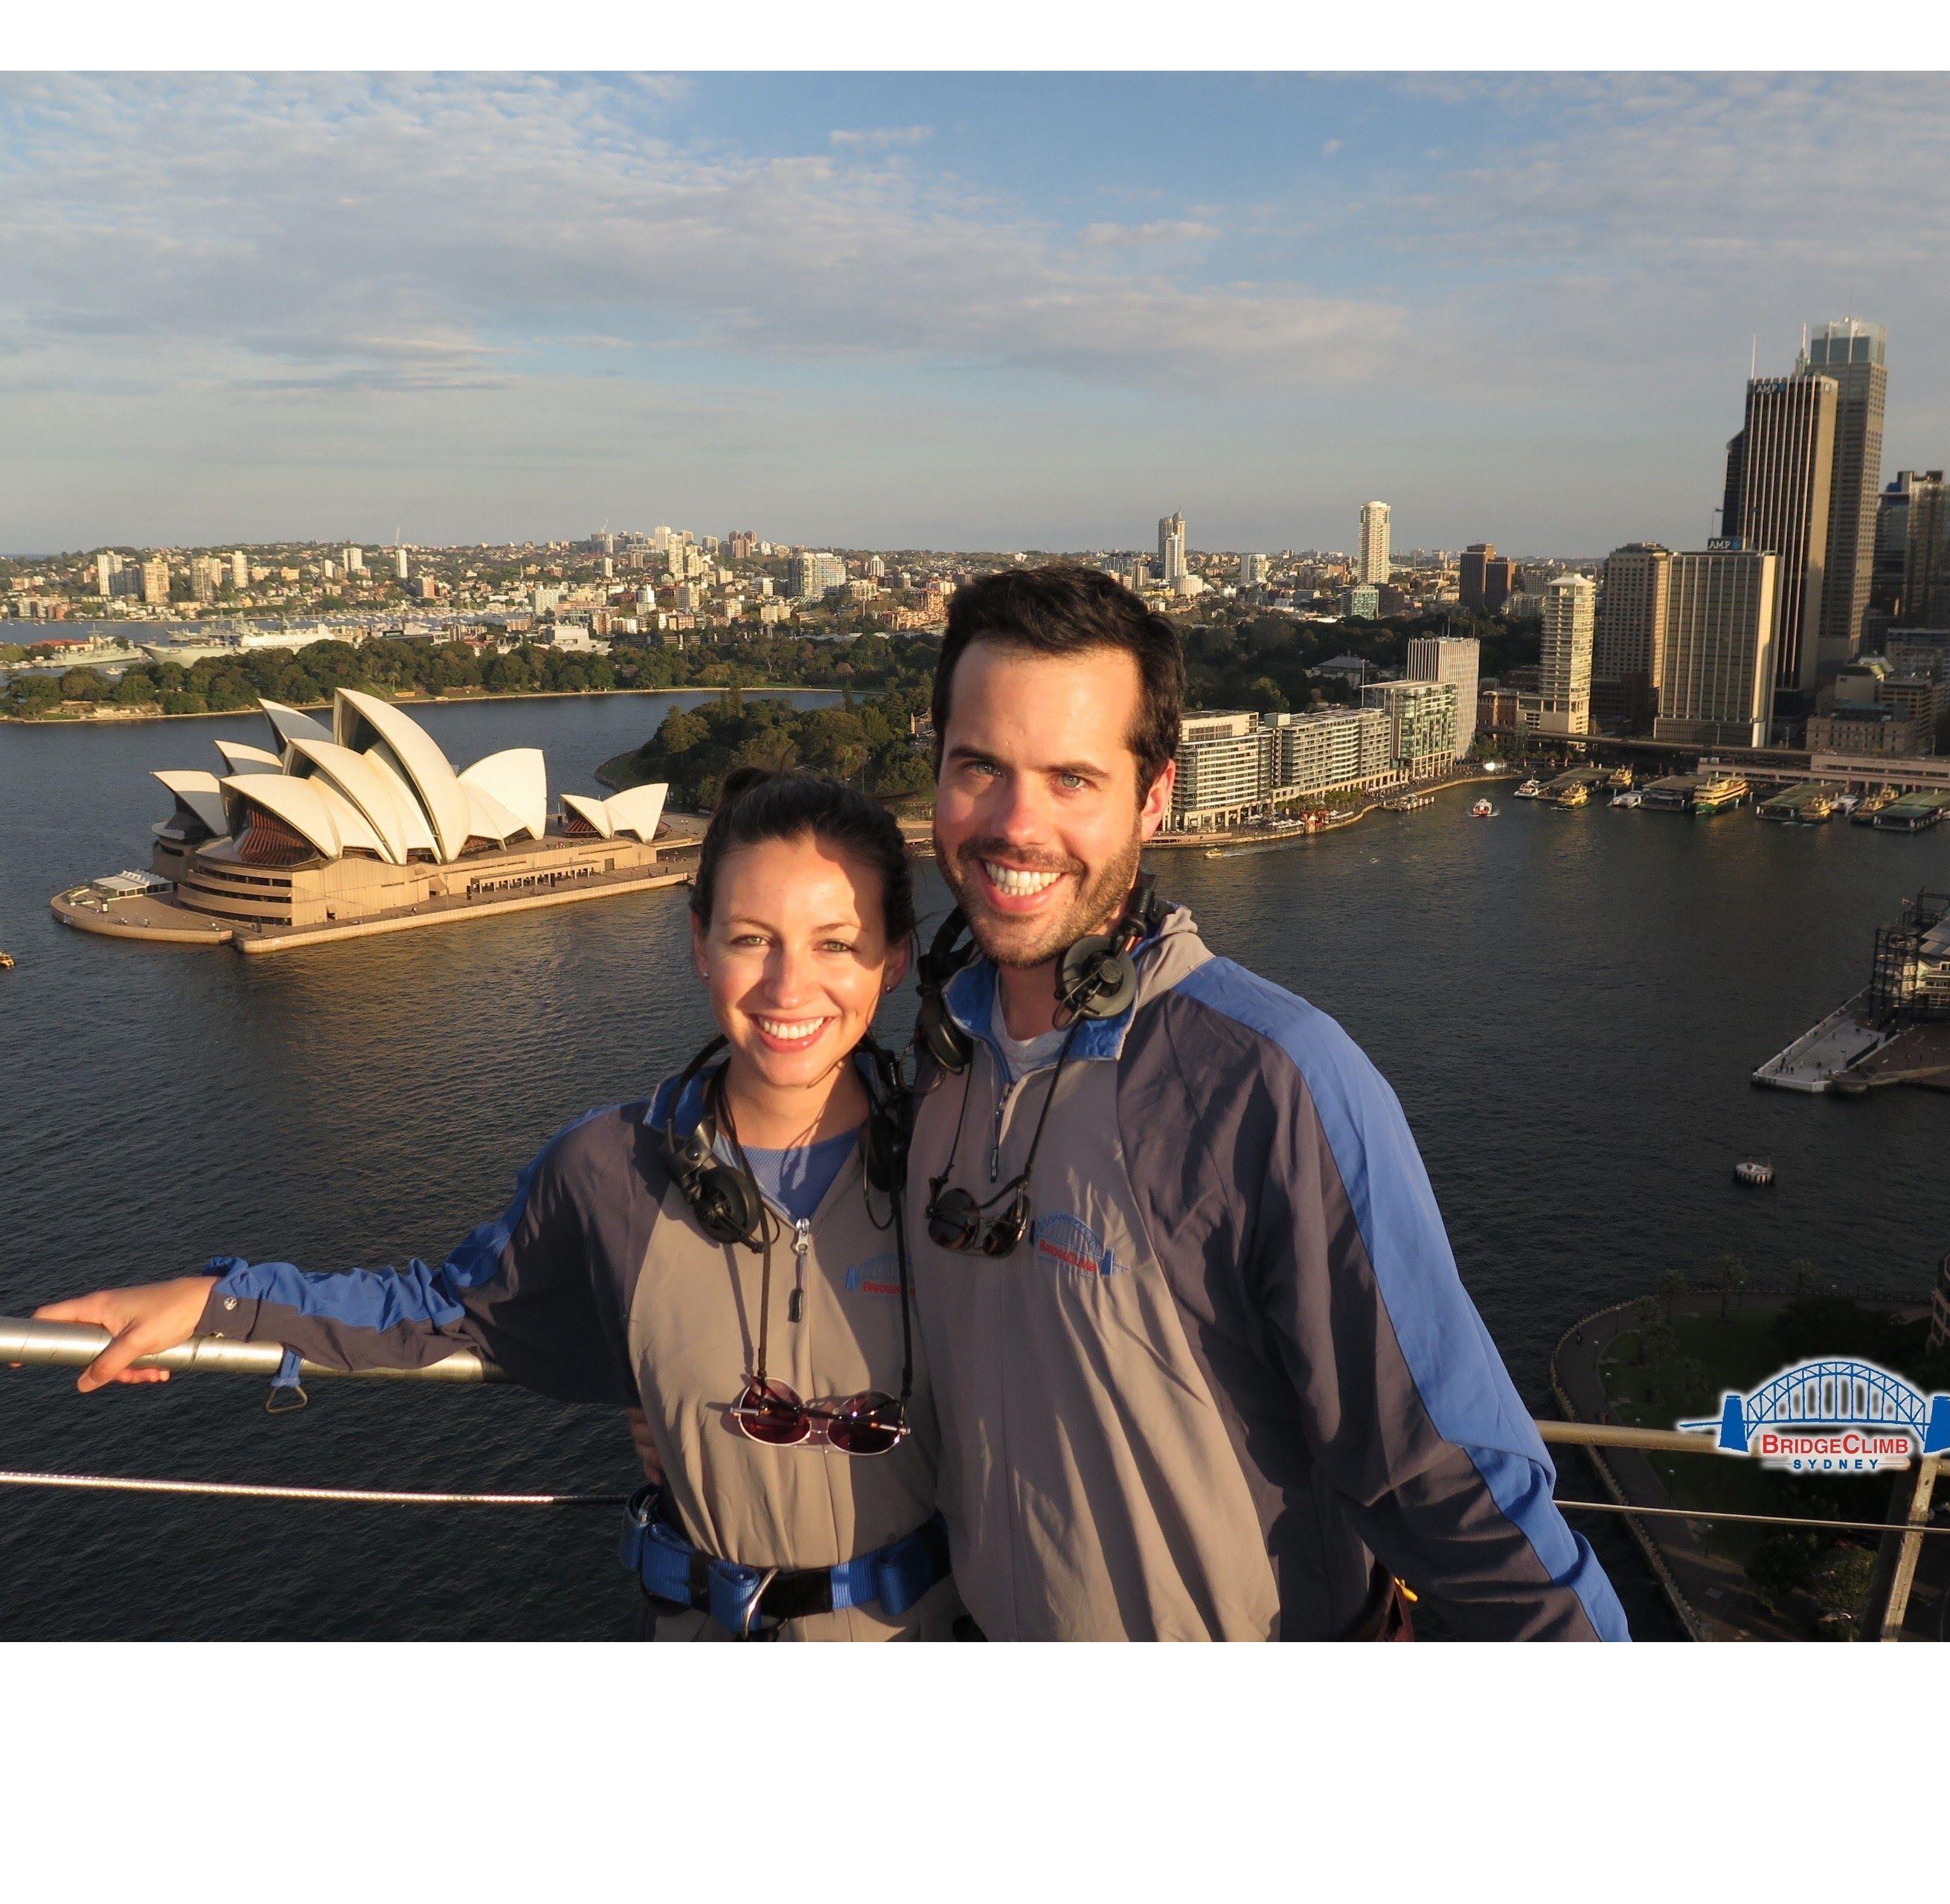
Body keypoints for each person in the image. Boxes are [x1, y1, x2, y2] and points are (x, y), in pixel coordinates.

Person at [35, 769, 957, 1641]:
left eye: (836, 942)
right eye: (751, 937)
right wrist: (214, 1299)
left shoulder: (954, 1159)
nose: (789, 986)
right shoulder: (611, 1170)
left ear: (895, 956)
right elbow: (444, 1311)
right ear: (697, 943)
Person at [908, 564, 1630, 1640]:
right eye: (980, 768)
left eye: (1072, 779)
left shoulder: (1271, 1081)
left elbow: (1447, 1478)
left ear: (1154, 795)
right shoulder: (941, 1058)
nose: (1017, 825)